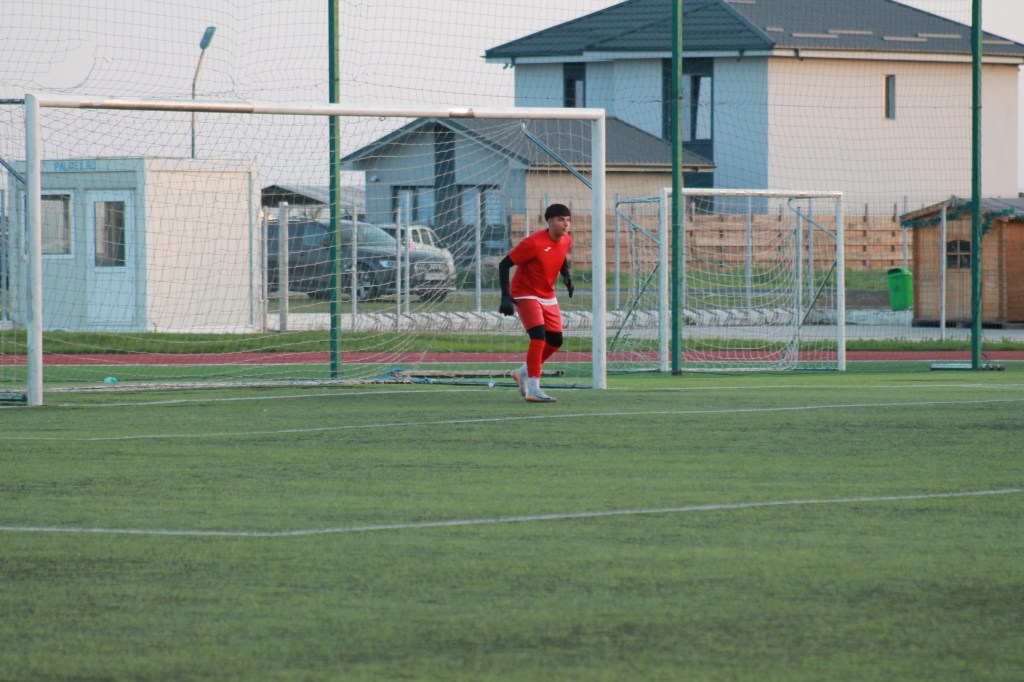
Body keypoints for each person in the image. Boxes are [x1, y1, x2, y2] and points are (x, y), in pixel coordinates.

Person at [498, 203, 574, 403]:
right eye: (561, 219)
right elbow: (504, 264)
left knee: (555, 341)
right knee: (538, 337)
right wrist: (505, 296)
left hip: (547, 294)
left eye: (568, 219)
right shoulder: (533, 243)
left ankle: (523, 372)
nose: (566, 224)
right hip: (524, 293)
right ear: (549, 221)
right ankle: (533, 389)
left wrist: (566, 276)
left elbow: (561, 256)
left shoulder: (566, 239)